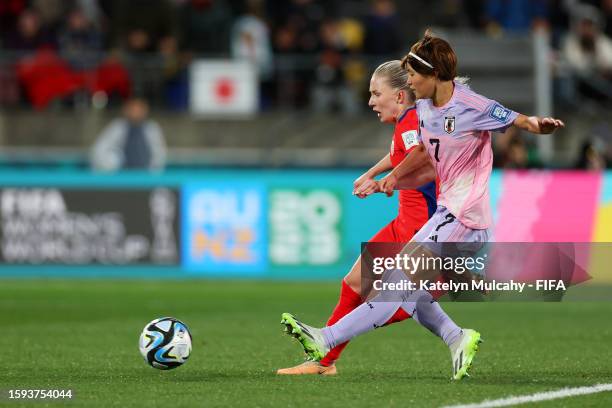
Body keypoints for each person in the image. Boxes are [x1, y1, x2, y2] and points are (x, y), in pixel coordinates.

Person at [280, 31, 564, 380]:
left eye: (377, 92)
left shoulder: (464, 107)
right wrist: (386, 178)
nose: (409, 83)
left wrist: (540, 125)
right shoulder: (425, 112)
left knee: (395, 290)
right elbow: (420, 154)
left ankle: (326, 343)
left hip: (456, 218)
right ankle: (455, 336)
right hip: (440, 218)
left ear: (431, 75)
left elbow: (516, 120)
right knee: (386, 287)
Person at [276, 60, 437, 375]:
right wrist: (373, 173)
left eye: (377, 94)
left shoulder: (415, 121)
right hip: (403, 223)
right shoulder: (407, 121)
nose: (371, 101)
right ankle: (324, 362)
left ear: (401, 96)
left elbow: (421, 157)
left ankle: (325, 354)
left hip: (421, 228)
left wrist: (386, 182)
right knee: (354, 282)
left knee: (400, 301)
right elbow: (401, 155)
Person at [90, 97, 167, 171]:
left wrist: (152, 173)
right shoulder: (117, 127)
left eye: (139, 109)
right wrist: (110, 165)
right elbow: (99, 150)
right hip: (120, 175)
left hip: (147, 175)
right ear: (126, 110)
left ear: (145, 111)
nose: (136, 113)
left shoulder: (152, 128)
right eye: (133, 109)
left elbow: (159, 154)